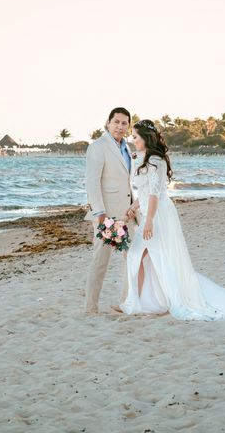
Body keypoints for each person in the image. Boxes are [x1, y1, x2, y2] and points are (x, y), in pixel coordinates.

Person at [119, 119, 225, 321]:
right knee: (141, 257)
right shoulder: (144, 158)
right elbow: (145, 193)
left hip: (157, 215)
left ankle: (147, 302)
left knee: (148, 257)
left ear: (146, 137)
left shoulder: (156, 161)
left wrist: (149, 220)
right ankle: (144, 302)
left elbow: (155, 194)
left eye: (135, 137)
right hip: (149, 212)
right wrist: (133, 207)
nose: (133, 140)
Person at [84, 107, 135, 313]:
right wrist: (100, 214)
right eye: (116, 122)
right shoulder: (98, 147)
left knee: (132, 260)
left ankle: (126, 303)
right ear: (108, 122)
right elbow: (92, 183)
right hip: (107, 216)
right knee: (100, 262)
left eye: (124, 123)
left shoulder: (129, 148)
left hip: (129, 216)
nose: (120, 126)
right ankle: (90, 308)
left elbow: (129, 182)